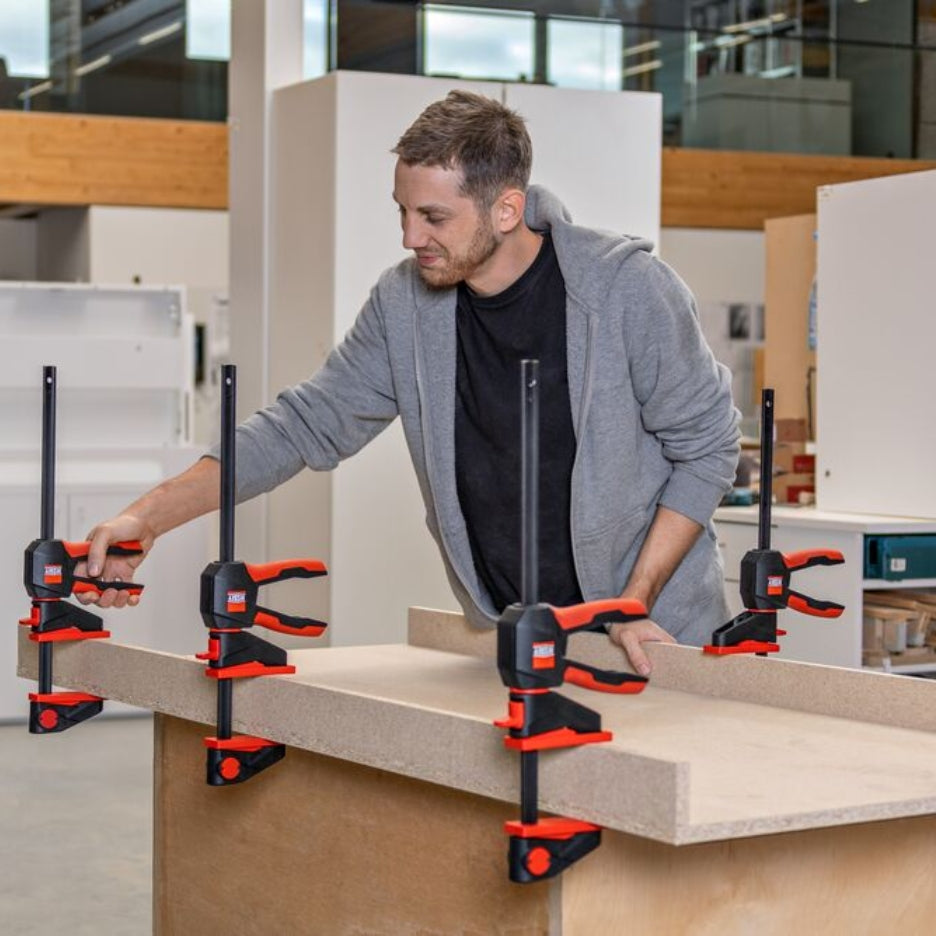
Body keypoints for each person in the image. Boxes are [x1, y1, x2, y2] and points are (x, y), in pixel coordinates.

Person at [78, 90, 740, 676]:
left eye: (433, 217)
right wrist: (147, 518)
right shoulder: (405, 305)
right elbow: (304, 425)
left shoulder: (626, 290)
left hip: (654, 638)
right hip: (526, 640)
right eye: (402, 212)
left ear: (507, 209)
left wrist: (635, 600)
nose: (408, 236)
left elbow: (708, 449)